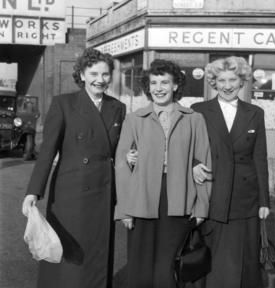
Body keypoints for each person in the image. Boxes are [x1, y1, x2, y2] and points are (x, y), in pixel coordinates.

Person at [21, 48, 126, 288]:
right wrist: (33, 192)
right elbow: (47, 152)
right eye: (94, 73)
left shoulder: (118, 107)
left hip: (103, 190)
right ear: (82, 74)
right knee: (69, 255)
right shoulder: (64, 104)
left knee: (96, 253)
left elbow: (118, 150)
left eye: (106, 74)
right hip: (71, 193)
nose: (100, 79)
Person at [115, 59, 212, 288]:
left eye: (165, 82)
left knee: (169, 267)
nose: (159, 88)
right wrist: (124, 210)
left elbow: (204, 164)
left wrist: (202, 207)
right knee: (139, 267)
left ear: (176, 85)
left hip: (179, 198)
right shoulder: (134, 119)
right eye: (154, 82)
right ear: (147, 87)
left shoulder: (194, 119)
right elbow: (121, 166)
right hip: (141, 198)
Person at [191, 56, 270, 288]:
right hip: (212, 192)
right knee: (212, 261)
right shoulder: (199, 110)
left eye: (232, 79)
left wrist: (264, 201)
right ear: (213, 82)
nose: (227, 85)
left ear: (242, 81)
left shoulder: (255, 112)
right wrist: (194, 164)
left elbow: (259, 157)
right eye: (221, 80)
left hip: (245, 198)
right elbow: (188, 148)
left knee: (244, 262)